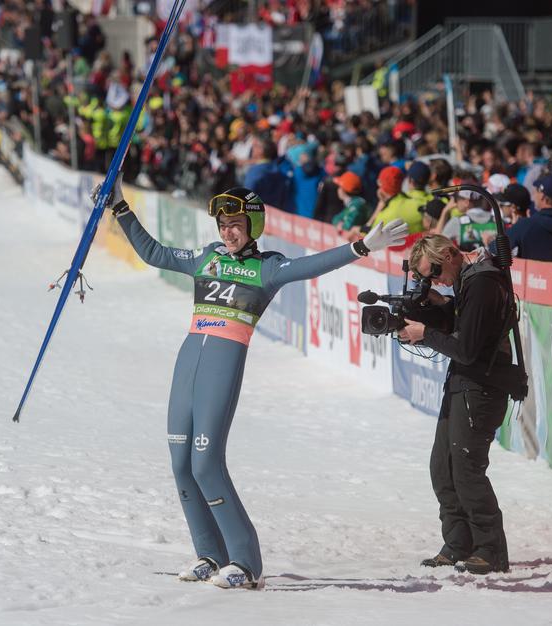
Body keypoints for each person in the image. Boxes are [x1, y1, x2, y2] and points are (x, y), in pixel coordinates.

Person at [101, 180, 407, 589]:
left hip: (222, 362)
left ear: (253, 225)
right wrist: (120, 207)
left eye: (236, 224)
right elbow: (154, 252)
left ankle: (245, 561)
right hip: (188, 356)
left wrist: (361, 247)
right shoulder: (207, 257)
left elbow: (312, 265)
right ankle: (210, 554)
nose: (228, 232)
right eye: (223, 224)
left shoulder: (268, 267)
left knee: (206, 464)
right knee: (180, 465)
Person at [399, 234, 521, 575]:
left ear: (451, 253)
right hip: (464, 384)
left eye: (435, 270)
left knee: (466, 470)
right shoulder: (469, 283)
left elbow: (467, 349)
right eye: (427, 276)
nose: (435, 278)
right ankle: (458, 542)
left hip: (481, 388)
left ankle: (490, 549)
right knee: (443, 467)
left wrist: (425, 334)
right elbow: (465, 329)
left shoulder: (482, 283)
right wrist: (440, 307)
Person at [505, 173, 552, 265]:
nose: (534, 194)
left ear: (543, 196)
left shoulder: (524, 226)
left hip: (532, 278)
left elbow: (495, 249)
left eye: (537, 190)